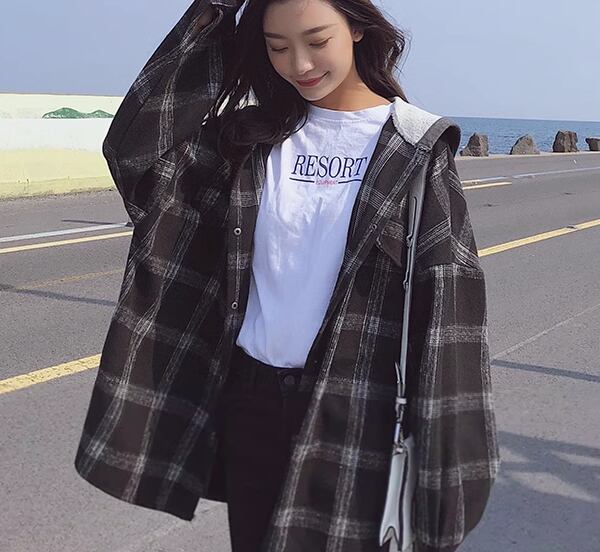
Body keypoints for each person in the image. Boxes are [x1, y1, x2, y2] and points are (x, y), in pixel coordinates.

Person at [73, 1, 501, 551]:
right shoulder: (249, 140)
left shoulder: (416, 149)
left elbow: (449, 320)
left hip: (357, 413)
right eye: (277, 47)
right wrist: (215, 10)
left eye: (317, 41)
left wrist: (447, 486)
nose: (299, 64)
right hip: (251, 404)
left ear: (358, 28)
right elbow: (137, 153)